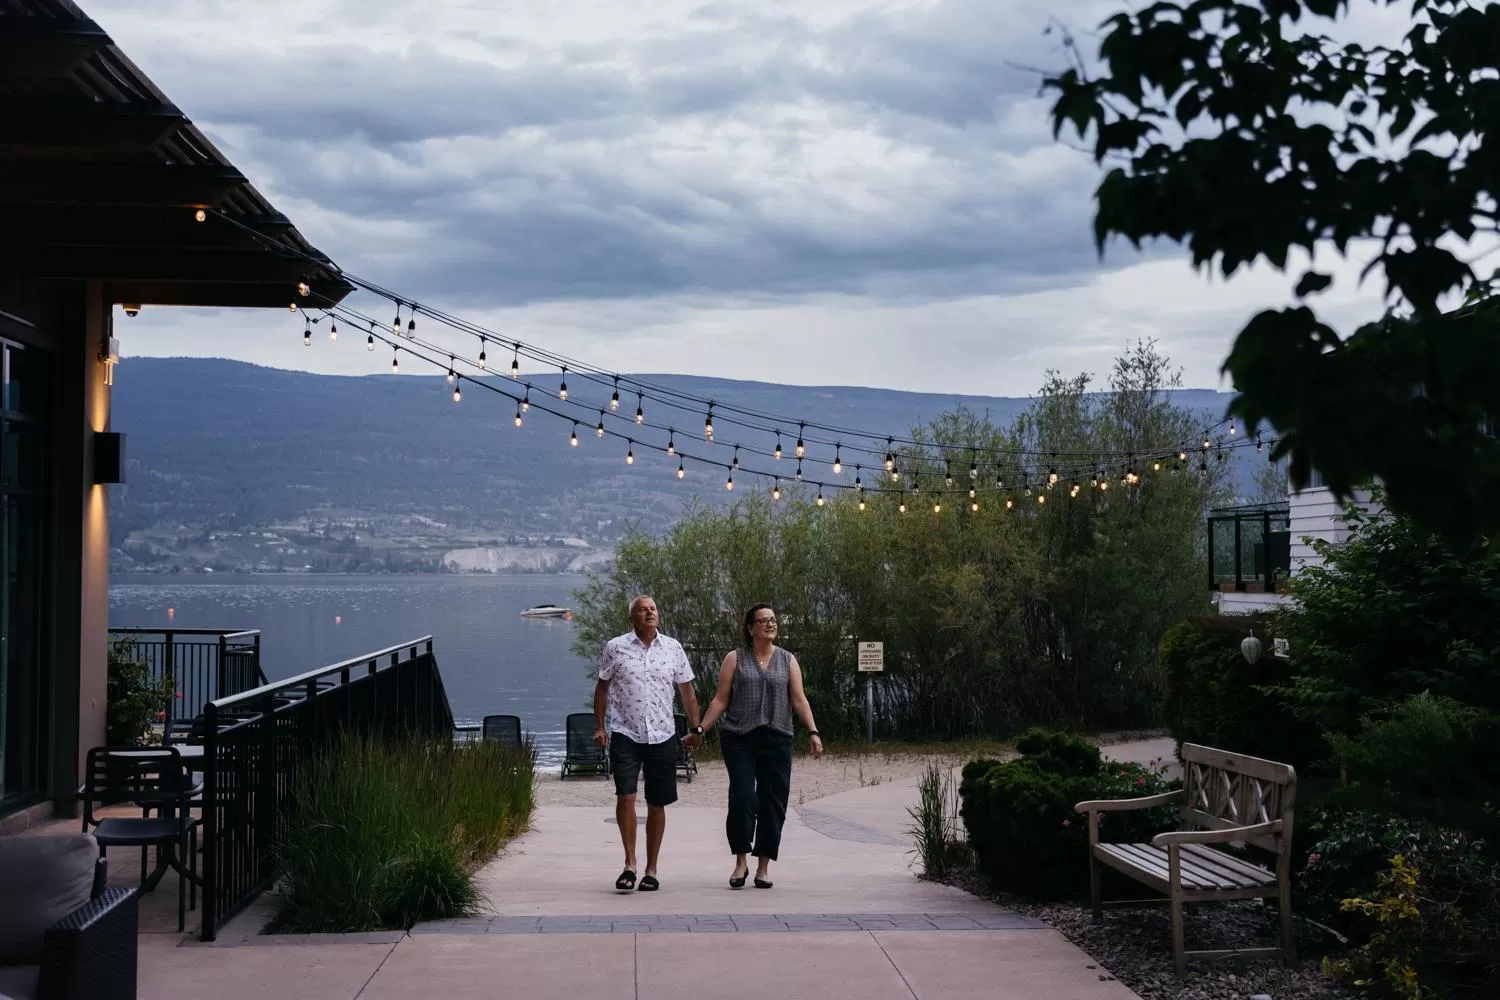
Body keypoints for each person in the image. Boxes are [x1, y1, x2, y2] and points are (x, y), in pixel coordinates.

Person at [697, 603, 822, 889]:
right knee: (743, 797)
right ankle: (740, 861)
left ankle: (763, 866)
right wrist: (702, 728)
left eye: (773, 620)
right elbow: (720, 699)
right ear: (750, 627)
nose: (770, 624)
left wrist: (813, 731)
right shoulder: (734, 659)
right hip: (739, 738)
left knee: (773, 802)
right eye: (763, 620)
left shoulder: (788, 660)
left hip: (778, 736)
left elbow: (799, 699)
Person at [594, 594, 702, 892]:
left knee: (657, 803)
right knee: (626, 797)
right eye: (643, 610)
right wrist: (599, 727)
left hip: (662, 735)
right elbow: (602, 689)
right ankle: (630, 864)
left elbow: (687, 692)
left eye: (653, 609)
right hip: (625, 734)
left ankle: (652, 870)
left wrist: (697, 729)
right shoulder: (615, 648)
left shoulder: (673, 648)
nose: (649, 613)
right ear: (633, 617)